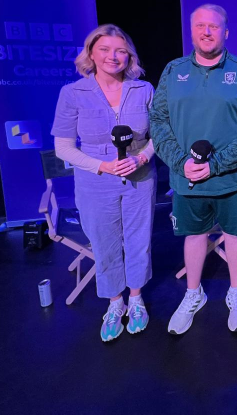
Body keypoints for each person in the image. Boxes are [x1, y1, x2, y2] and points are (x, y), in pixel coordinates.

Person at [150, 4, 237, 334]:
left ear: (225, 32)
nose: (206, 31)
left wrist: (215, 164)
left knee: (235, 234)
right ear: (191, 31)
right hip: (187, 179)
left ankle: (235, 293)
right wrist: (180, 162)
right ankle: (193, 294)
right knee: (193, 235)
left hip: (233, 179)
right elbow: (158, 121)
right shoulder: (173, 71)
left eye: (213, 27)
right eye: (200, 25)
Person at [51, 24, 157, 342]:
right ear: (91, 54)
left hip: (140, 177)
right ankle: (115, 302)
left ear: (130, 56)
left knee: (139, 241)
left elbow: (161, 136)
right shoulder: (72, 93)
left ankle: (136, 299)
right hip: (95, 181)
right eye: (105, 50)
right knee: (105, 243)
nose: (113, 56)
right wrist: (102, 166)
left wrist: (141, 158)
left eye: (121, 50)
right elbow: (63, 147)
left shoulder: (144, 90)